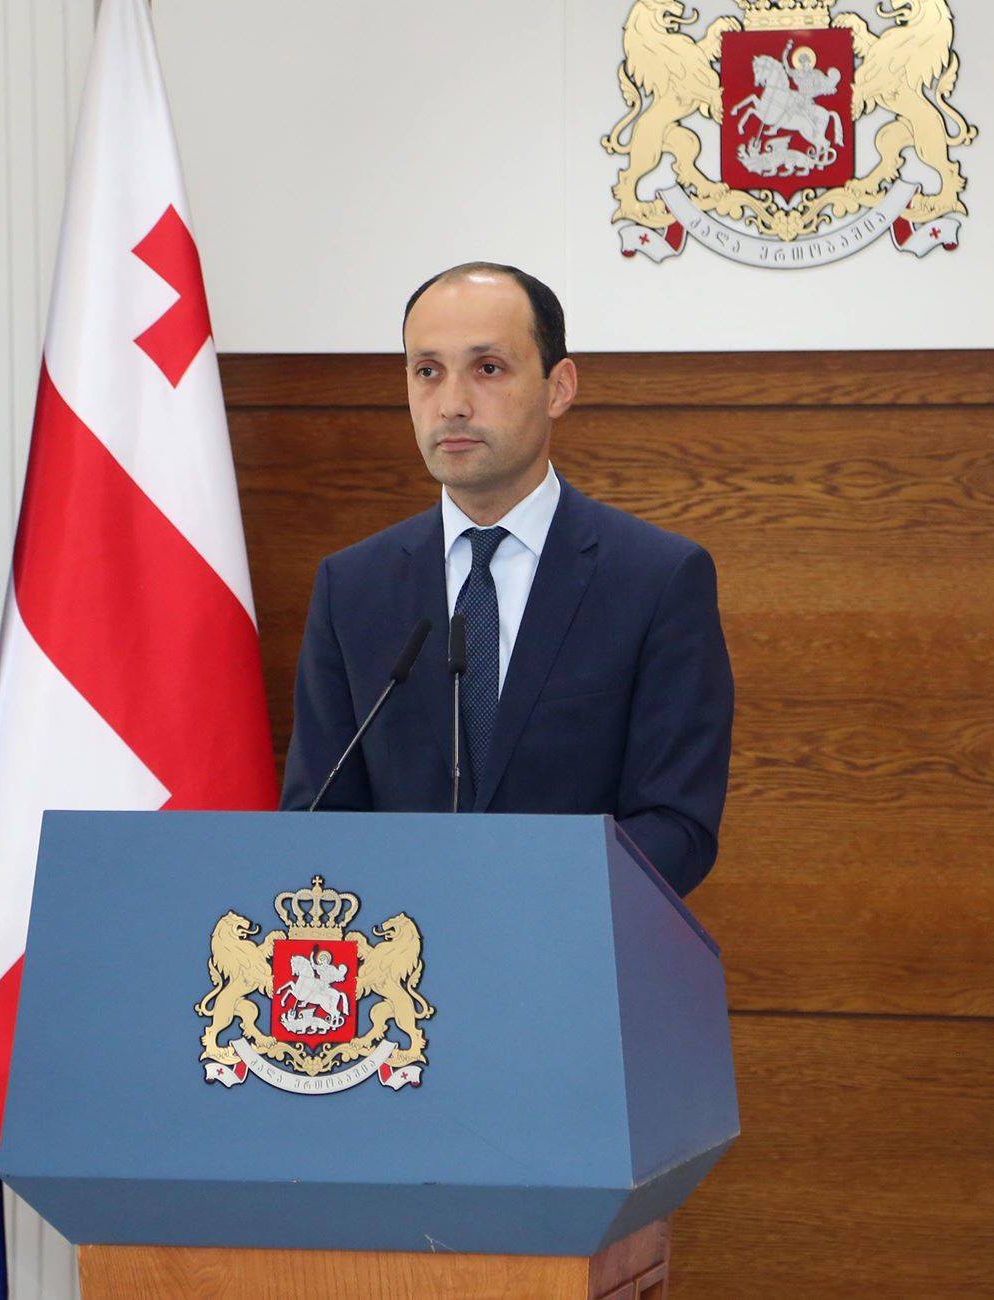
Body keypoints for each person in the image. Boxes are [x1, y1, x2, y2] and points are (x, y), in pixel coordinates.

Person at [276, 262, 734, 897]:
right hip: (401, 950)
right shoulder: (352, 587)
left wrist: (515, 901)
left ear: (559, 387)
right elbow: (319, 813)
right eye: (427, 371)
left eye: (487, 368)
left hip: (571, 940)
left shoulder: (655, 579)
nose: (452, 404)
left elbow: (677, 825)